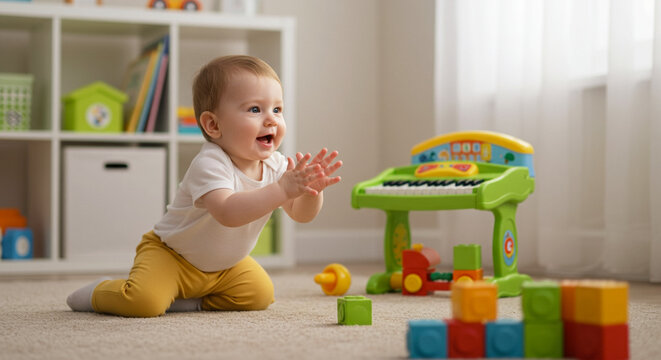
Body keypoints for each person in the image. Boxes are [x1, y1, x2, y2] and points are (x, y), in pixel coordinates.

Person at [66, 55, 342, 317]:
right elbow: (228, 212)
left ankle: (191, 302)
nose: (271, 119)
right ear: (213, 125)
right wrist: (282, 190)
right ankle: (100, 291)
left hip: (224, 266)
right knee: (143, 302)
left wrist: (310, 192)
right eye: (255, 109)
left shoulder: (277, 165)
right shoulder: (210, 162)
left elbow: (301, 214)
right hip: (172, 255)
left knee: (260, 295)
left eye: (277, 109)